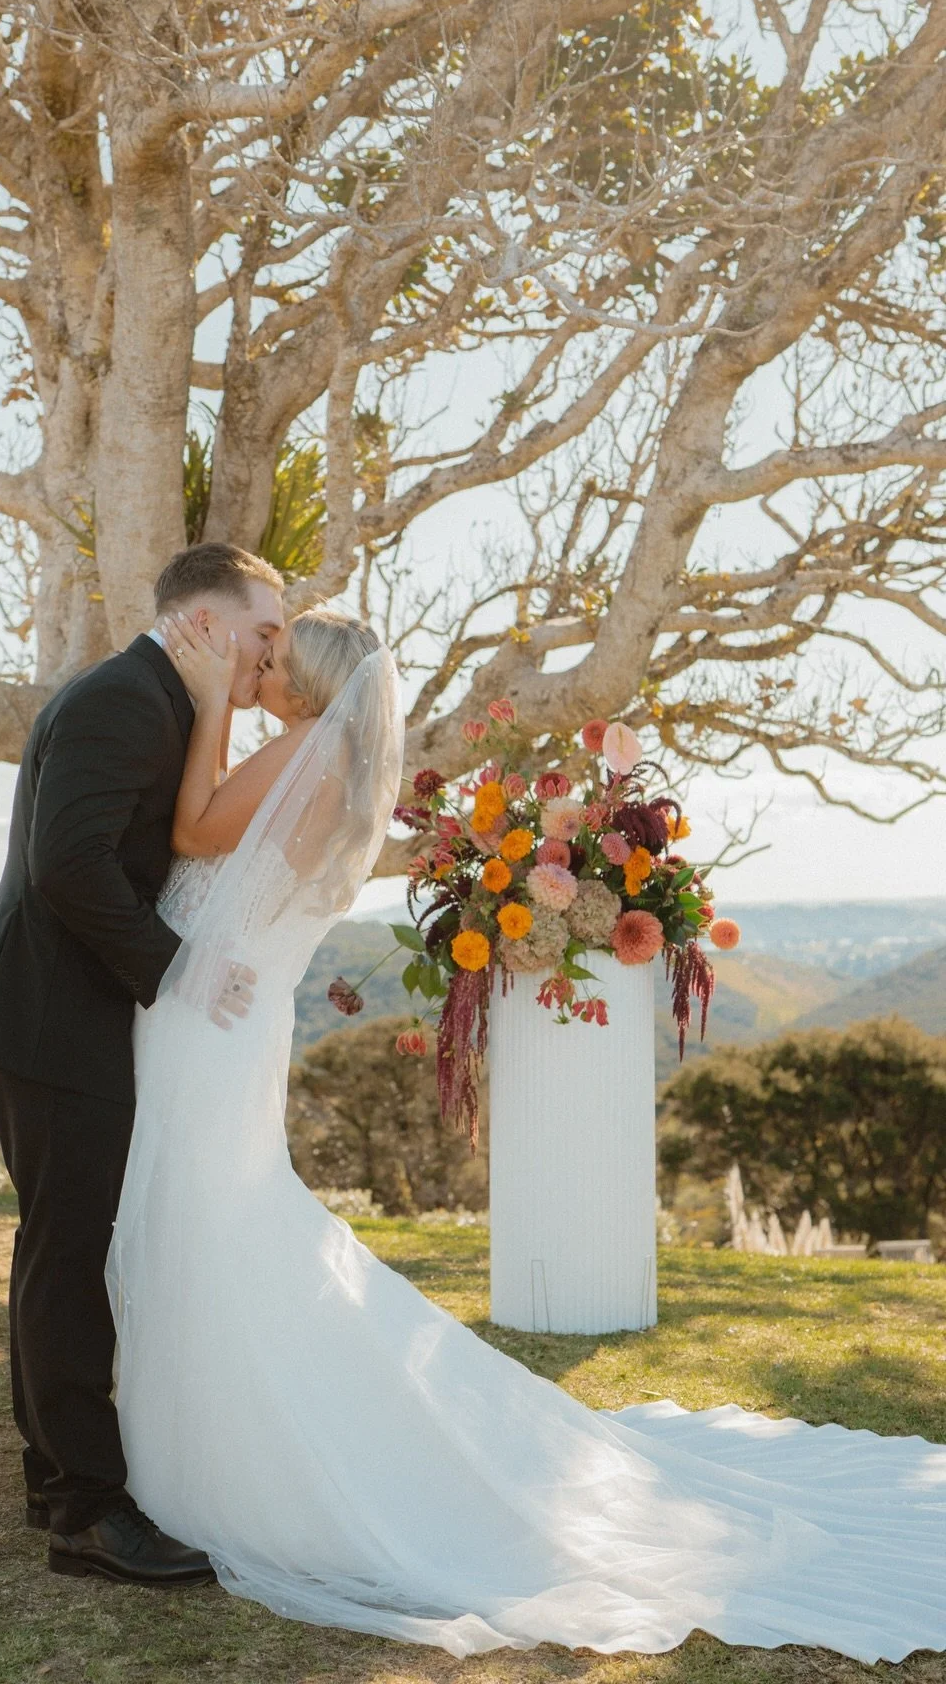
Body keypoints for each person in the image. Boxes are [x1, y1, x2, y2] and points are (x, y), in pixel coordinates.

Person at [106, 610, 946, 1661]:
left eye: (274, 662)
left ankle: (225, 1457)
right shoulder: (341, 771)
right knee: (221, 1214)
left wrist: (198, 707)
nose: (258, 668)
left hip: (207, 1020)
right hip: (231, 1013)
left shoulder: (293, 752)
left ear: (313, 690)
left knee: (213, 1218)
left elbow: (190, 835)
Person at [0, 542, 284, 1586]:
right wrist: (177, 972)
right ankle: (88, 1513)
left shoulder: (159, 700)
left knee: (58, 1249)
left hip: (70, 1018)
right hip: (55, 1022)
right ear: (203, 622)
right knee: (65, 1255)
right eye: (262, 631)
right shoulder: (125, 701)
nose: (273, 653)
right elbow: (69, 866)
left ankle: (57, 1479)